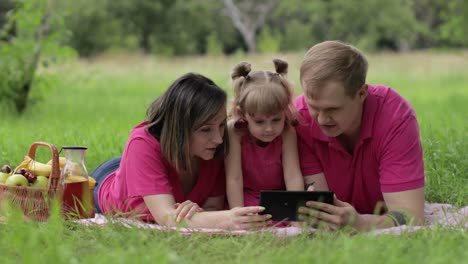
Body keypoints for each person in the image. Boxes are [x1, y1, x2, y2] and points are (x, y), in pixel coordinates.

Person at [92, 73, 271, 230]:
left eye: (222, 125)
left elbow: (212, 207)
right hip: (106, 180)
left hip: (147, 167)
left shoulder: (212, 148)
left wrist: (198, 213)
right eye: (206, 129)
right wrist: (229, 219)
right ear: (180, 128)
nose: (218, 138)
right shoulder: (142, 143)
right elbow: (167, 217)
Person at [294, 41, 425, 231]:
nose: (321, 119)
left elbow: (411, 216)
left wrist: (361, 223)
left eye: (333, 109)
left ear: (361, 93)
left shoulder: (395, 117)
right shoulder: (299, 119)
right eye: (314, 106)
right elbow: (320, 207)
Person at [225, 59, 304, 209]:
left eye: (276, 119)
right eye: (259, 122)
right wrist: (239, 214)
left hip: (279, 196)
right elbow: (234, 179)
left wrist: (296, 214)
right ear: (243, 114)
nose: (269, 129)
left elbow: (293, 176)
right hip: (245, 198)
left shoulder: (287, 132)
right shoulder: (235, 132)